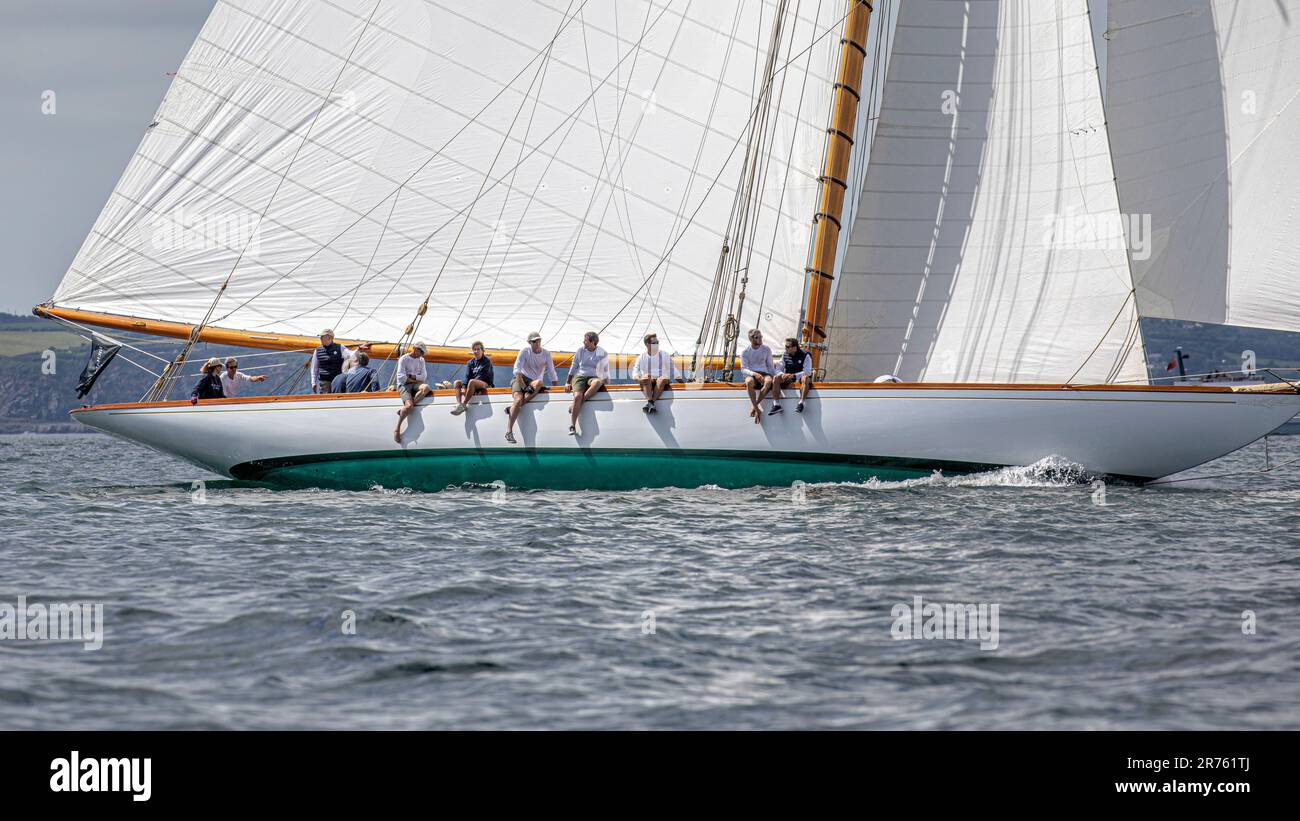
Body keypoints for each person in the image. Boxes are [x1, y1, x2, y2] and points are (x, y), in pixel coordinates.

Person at [505, 331, 559, 444]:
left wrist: (557, 391)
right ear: (529, 342)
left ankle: (513, 408)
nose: (538, 343)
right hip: (520, 379)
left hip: (534, 382)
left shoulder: (546, 353)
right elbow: (517, 371)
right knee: (518, 399)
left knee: (539, 383)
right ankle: (509, 431)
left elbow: (551, 372)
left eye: (539, 340)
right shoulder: (525, 351)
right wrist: (524, 387)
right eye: (535, 341)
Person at [565, 331, 609, 436]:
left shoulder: (602, 352)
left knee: (598, 382)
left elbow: (605, 370)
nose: (583, 342)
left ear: (593, 342)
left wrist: (608, 384)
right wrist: (567, 382)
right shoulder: (580, 351)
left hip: (594, 377)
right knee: (577, 396)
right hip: (580, 376)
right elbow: (573, 366)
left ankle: (578, 403)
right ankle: (572, 425)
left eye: (585, 340)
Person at [310, 329, 370, 393]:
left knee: (338, 398)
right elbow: (314, 368)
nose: (320, 338)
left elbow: (350, 355)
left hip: (338, 381)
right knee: (326, 400)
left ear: (329, 337)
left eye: (322, 337)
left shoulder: (340, 347)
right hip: (325, 382)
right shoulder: (317, 350)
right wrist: (313, 382)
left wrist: (359, 349)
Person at [393, 342, 431, 443]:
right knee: (409, 406)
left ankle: (404, 410)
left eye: (423, 352)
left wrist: (410, 377)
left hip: (413, 384)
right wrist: (415, 379)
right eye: (421, 351)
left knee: (426, 387)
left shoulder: (421, 360)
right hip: (403, 385)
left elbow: (423, 377)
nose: (422, 354)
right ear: (415, 349)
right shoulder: (404, 359)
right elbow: (401, 378)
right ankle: (397, 429)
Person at [632, 332, 677, 413]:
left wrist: (683, 383)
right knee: (646, 376)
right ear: (647, 344)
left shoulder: (664, 354)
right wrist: (640, 380)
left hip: (662, 379)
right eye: (654, 343)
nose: (657, 344)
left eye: (657, 342)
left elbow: (673, 370)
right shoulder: (641, 357)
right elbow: (635, 373)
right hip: (648, 381)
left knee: (662, 378)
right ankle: (651, 403)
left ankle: (651, 402)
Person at [740, 329, 775, 424]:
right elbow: (743, 369)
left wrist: (774, 377)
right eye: (757, 337)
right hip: (751, 373)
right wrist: (754, 374)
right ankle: (756, 408)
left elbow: (770, 366)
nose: (760, 339)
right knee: (748, 382)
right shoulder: (745, 352)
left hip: (764, 373)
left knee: (768, 381)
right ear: (751, 339)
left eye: (761, 336)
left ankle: (754, 406)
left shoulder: (766, 349)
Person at [771, 337, 813, 414]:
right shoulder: (785, 355)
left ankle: (801, 403)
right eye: (785, 346)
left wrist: (794, 375)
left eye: (787, 347)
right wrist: (782, 375)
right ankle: (776, 404)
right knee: (776, 378)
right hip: (788, 377)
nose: (785, 348)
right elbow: (777, 369)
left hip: (800, 378)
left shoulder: (805, 355)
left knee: (806, 378)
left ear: (794, 347)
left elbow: (808, 372)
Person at [451, 341, 493, 415]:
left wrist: (469, 386)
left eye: (478, 349)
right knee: (457, 382)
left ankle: (464, 404)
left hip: (485, 384)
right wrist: (464, 387)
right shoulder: (470, 362)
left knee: (472, 382)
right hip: (473, 384)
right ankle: (459, 404)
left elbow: (482, 376)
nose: (476, 351)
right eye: (474, 349)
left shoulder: (487, 361)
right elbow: (467, 376)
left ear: (482, 351)